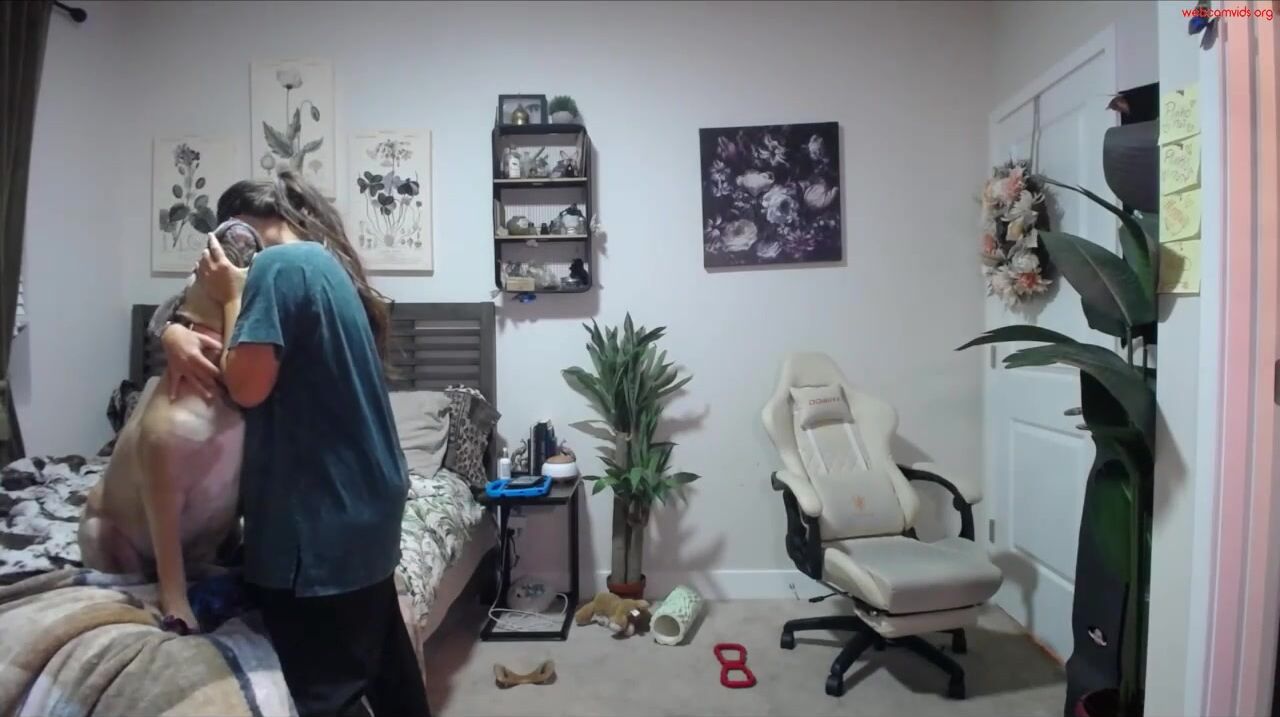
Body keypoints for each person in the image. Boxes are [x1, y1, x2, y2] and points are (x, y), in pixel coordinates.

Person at [155, 170, 429, 717]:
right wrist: (169, 330)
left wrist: (233, 294)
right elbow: (181, 310)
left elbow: (246, 387)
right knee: (387, 670)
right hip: (365, 506)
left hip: (318, 523)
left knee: (327, 693)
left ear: (234, 232)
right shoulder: (324, 264)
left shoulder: (274, 269)